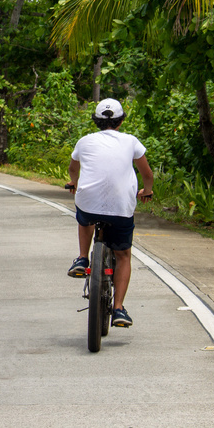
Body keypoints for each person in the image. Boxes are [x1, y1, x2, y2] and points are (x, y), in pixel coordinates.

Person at [65, 98, 154, 328]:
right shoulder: (131, 141)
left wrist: (73, 182)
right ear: (121, 120)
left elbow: (73, 168)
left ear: (96, 121)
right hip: (121, 208)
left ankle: (83, 258)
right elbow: (147, 174)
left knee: (84, 216)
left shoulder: (84, 141)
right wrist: (148, 190)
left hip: (88, 202)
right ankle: (119, 309)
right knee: (123, 255)